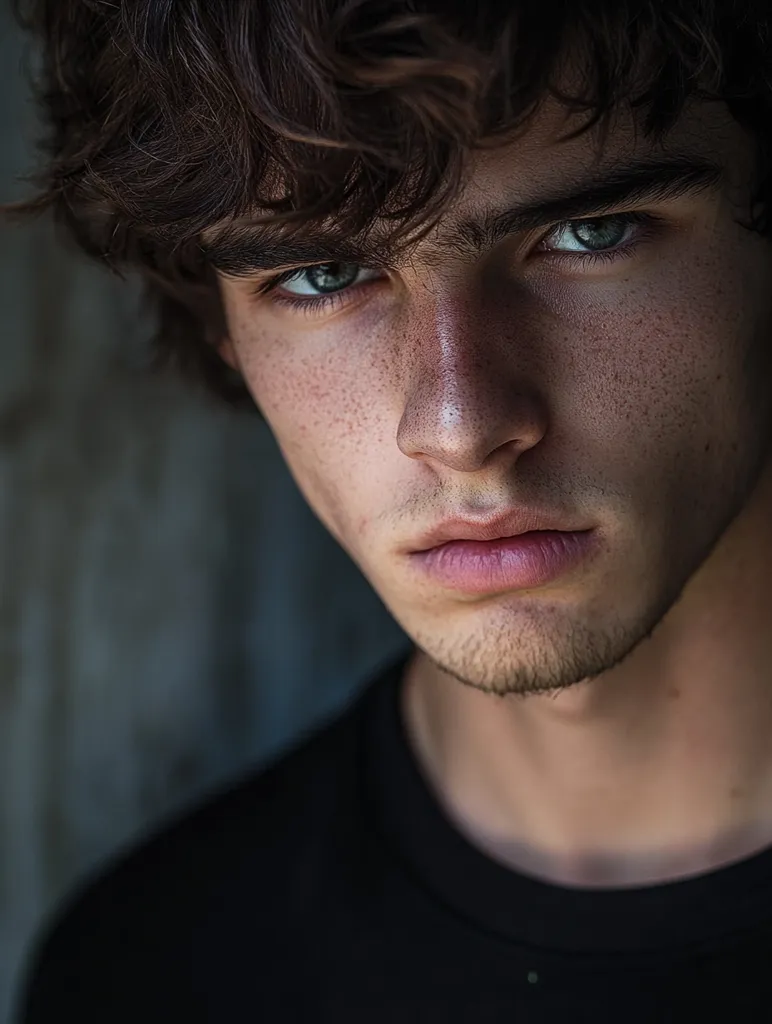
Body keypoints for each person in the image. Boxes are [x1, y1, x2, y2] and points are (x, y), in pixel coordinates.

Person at [8, 0, 772, 1018]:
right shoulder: (151, 973)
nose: (460, 426)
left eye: (588, 234)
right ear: (223, 325)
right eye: (324, 275)